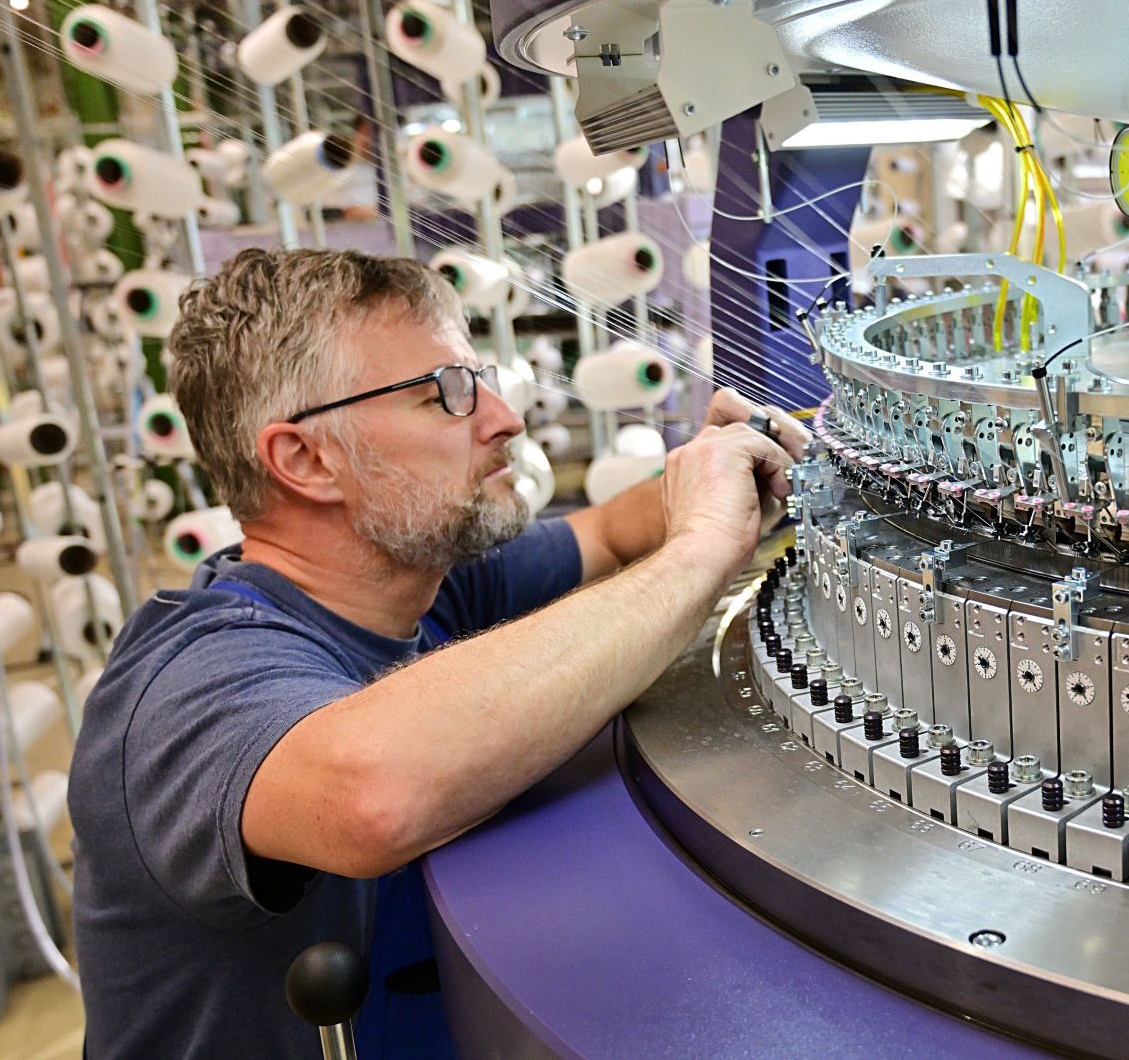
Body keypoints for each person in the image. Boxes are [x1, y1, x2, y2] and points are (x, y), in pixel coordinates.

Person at [68, 247, 801, 1058]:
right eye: (446, 394)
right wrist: (700, 550)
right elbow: (372, 796)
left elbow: (610, 529)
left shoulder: (427, 584)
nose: (504, 418)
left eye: (480, 378)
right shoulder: (185, 685)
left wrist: (717, 466)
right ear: (305, 459)